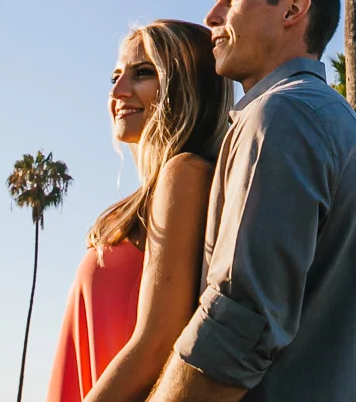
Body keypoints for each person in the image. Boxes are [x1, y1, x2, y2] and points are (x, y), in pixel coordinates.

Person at [147, 0, 356, 402]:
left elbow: (235, 327)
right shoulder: (317, 113)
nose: (210, 16)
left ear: (293, 10)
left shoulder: (282, 114)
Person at [47, 20, 234, 402]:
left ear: (186, 84)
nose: (117, 91)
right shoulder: (152, 195)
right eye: (116, 76)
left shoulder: (186, 174)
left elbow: (158, 343)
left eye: (143, 73)